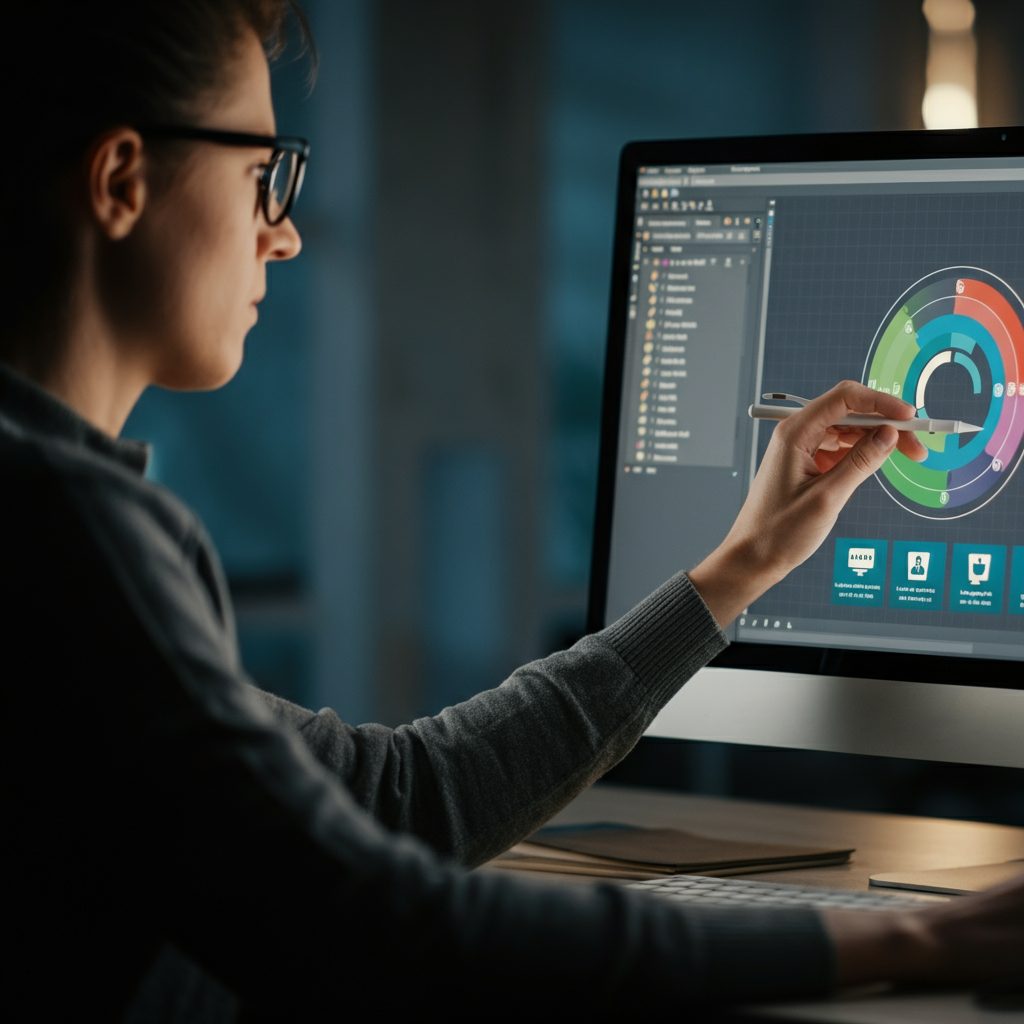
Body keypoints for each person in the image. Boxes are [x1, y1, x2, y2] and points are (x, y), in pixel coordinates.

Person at [2, 2, 1021, 1020]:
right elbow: (376, 925)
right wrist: (904, 937)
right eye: (261, 172)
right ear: (122, 179)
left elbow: (391, 799)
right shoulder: (67, 528)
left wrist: (740, 565)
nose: (285, 232)